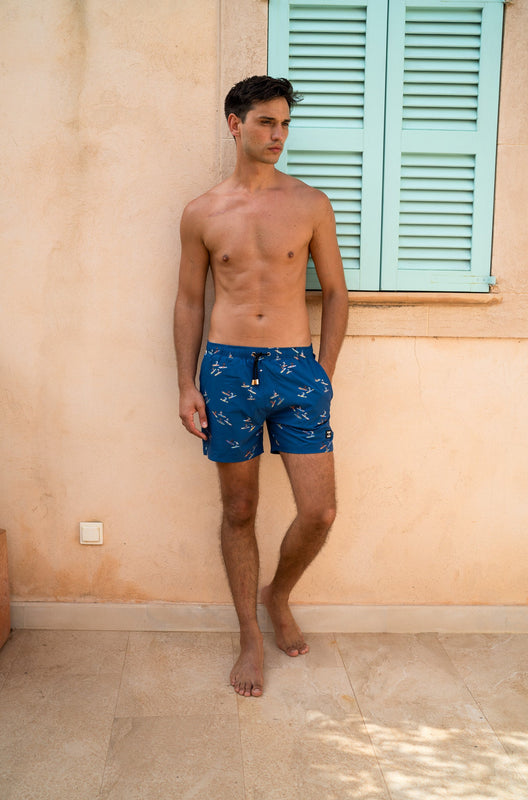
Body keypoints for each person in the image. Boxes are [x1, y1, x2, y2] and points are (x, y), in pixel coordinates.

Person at [174, 76, 348, 698]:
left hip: (296, 367)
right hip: (225, 369)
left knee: (319, 511)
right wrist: (185, 384)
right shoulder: (202, 212)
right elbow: (189, 301)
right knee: (239, 510)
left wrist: (323, 371)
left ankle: (278, 594)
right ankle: (249, 632)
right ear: (235, 124)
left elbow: (335, 293)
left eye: (284, 124)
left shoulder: (310, 204)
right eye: (266, 122)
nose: (278, 135)